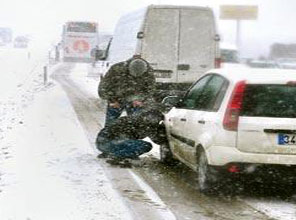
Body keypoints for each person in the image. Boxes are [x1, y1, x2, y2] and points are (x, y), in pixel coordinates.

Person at [95, 108, 167, 166]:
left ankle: (111, 152)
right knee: (146, 145)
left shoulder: (134, 120)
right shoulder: (144, 125)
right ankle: (117, 156)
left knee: (132, 144)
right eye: (158, 121)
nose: (158, 122)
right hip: (108, 143)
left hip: (101, 143)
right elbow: (158, 140)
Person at [98, 55, 156, 126]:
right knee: (111, 123)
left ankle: (134, 134)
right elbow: (104, 87)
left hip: (135, 100)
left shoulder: (149, 73)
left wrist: (141, 100)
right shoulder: (116, 69)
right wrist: (112, 100)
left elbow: (150, 90)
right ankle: (108, 135)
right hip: (116, 98)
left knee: (137, 123)